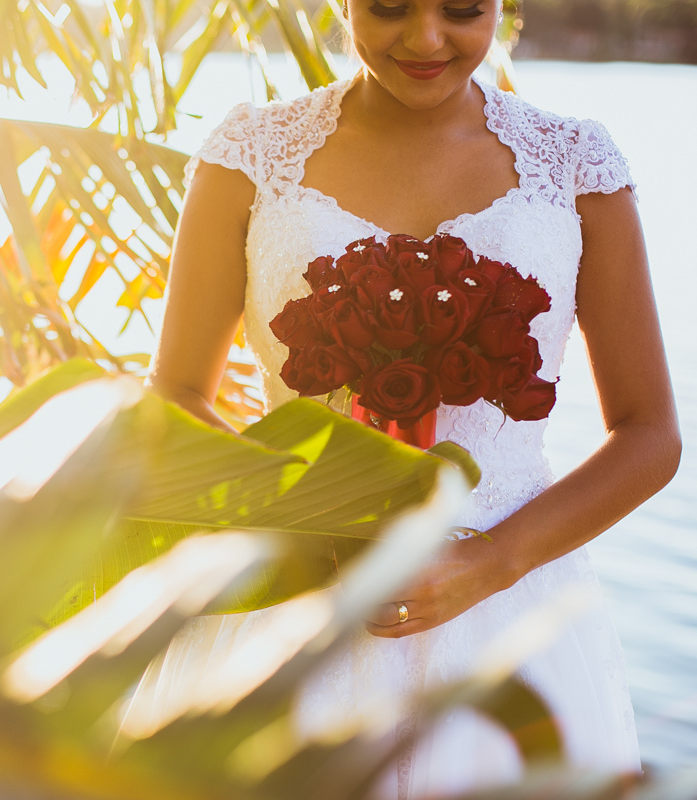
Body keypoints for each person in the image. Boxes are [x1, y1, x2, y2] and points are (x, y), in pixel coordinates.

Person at [142, 0, 681, 795]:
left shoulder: (574, 163)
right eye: (388, 7)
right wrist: (296, 520)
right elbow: (177, 396)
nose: (425, 38)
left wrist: (493, 561)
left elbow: (649, 434)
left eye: (463, 9)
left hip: (511, 620)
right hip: (295, 610)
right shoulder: (248, 155)